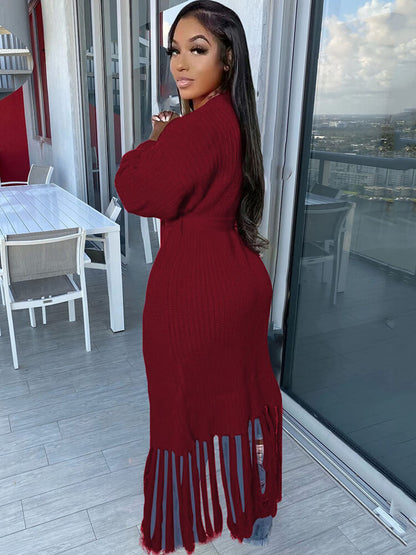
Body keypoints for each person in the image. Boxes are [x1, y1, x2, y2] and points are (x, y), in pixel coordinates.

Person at [115, 1, 283, 553]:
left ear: (227, 59)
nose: (180, 64)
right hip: (236, 277)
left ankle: (198, 514)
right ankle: (257, 508)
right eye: (174, 51)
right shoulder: (231, 118)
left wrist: (153, 142)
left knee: (178, 404)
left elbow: (136, 190)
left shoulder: (198, 128)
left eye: (198, 49)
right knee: (243, 397)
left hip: (196, 288)